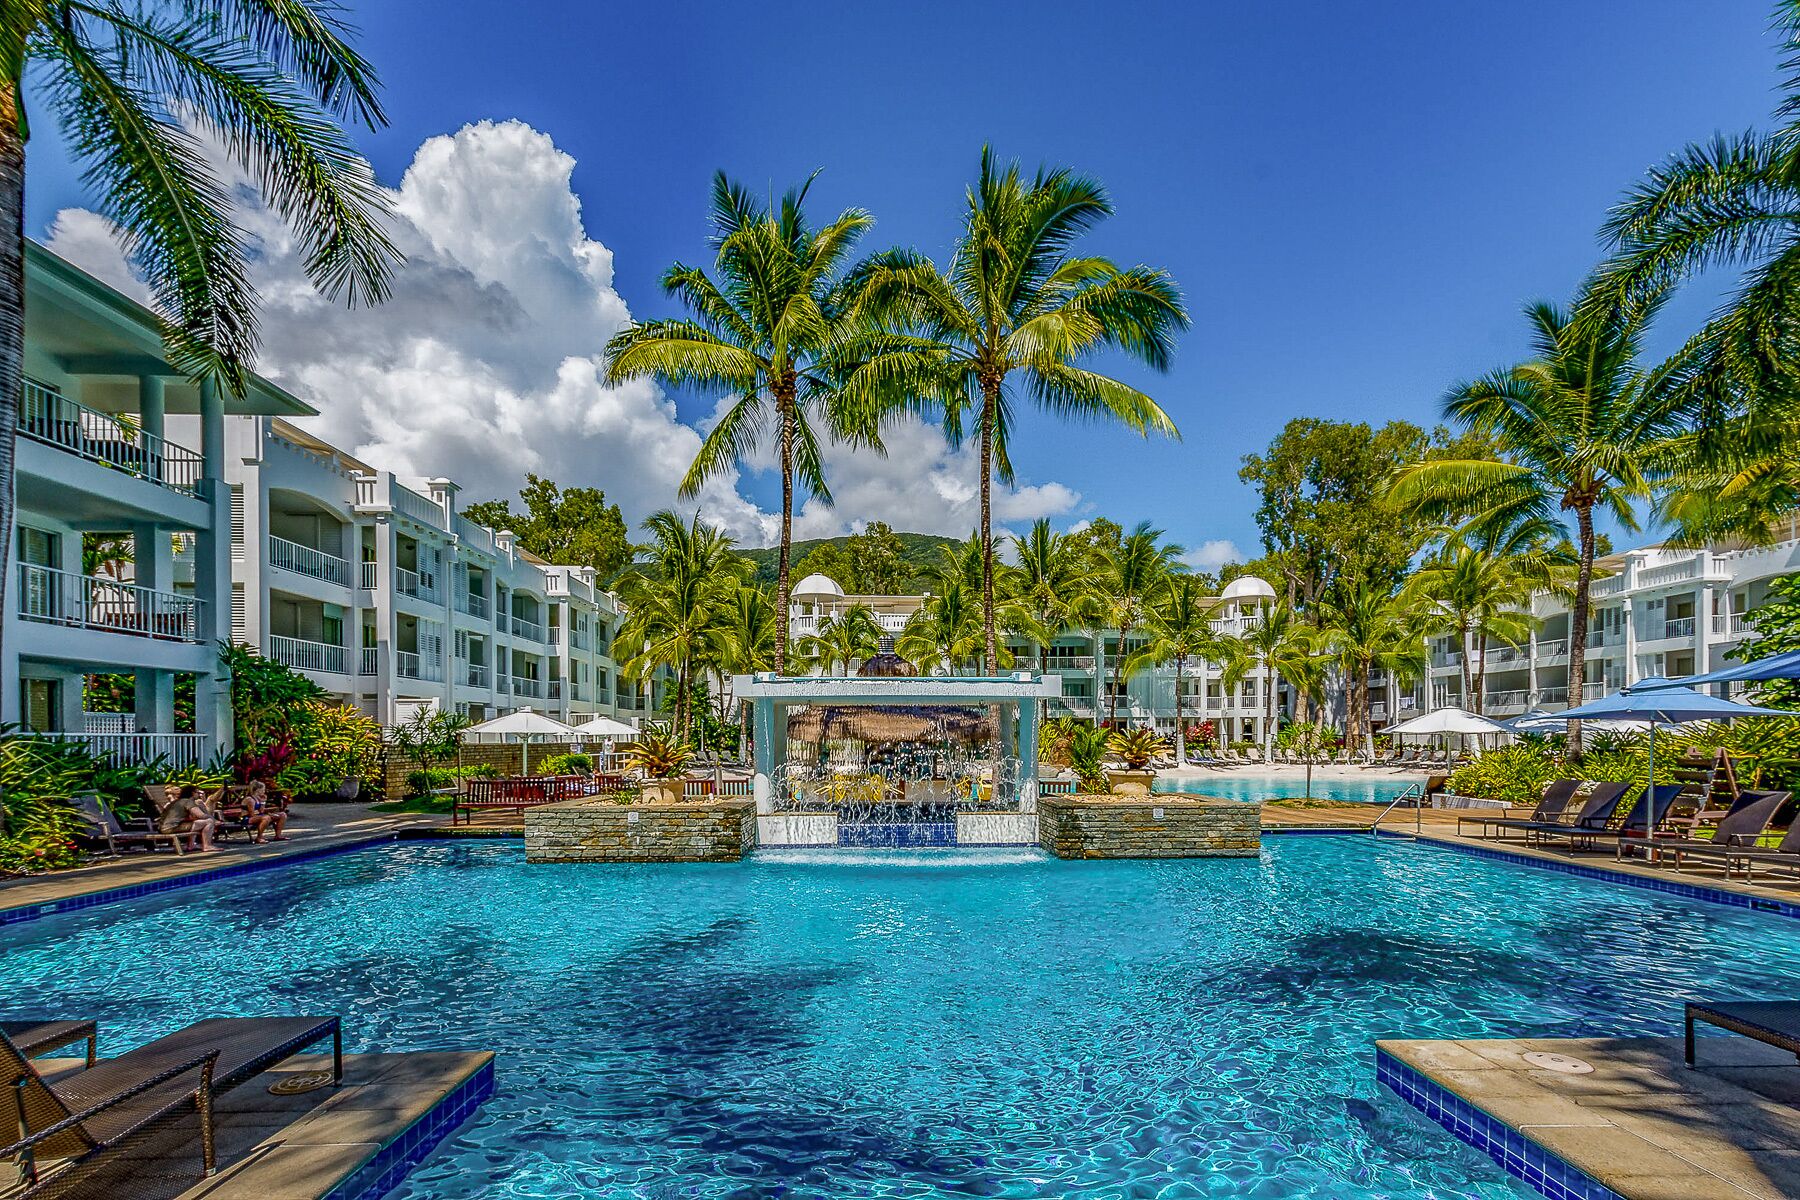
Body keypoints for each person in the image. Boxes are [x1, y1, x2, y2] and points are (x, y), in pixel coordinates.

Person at [158, 783, 220, 852]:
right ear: (193, 793)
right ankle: (207, 846)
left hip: (163, 827)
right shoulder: (188, 801)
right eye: (197, 792)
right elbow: (201, 815)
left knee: (197, 822)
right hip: (171, 828)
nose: (199, 794)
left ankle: (191, 845)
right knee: (209, 821)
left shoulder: (178, 801)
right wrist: (213, 819)